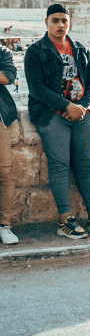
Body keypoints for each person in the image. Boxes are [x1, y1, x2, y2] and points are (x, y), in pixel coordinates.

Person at [25, 3, 90, 239]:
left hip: (81, 115)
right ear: (46, 22)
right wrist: (67, 106)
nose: (60, 25)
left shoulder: (80, 50)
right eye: (55, 20)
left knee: (85, 165)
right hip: (51, 115)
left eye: (64, 20)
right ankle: (65, 220)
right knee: (60, 166)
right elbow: (37, 89)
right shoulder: (36, 51)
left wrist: (81, 107)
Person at [0, 41, 19, 244]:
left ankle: (5, 225)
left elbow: (8, 76)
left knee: (5, 171)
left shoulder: (2, 51)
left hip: (0, 118)